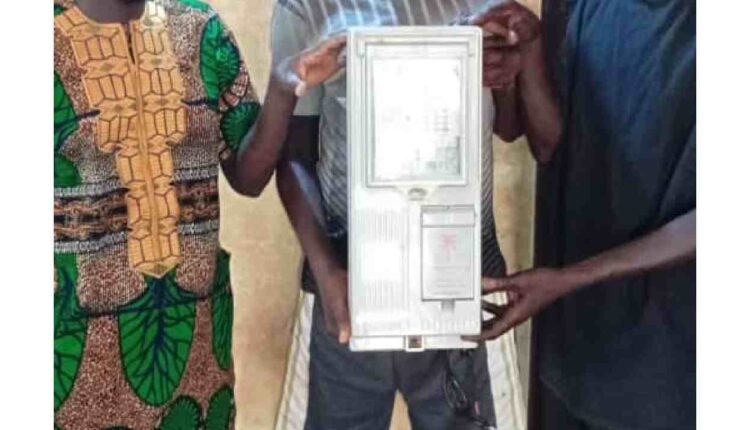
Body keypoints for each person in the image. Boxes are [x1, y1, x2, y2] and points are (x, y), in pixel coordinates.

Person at [53, 0, 345, 428]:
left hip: (194, 353)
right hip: (70, 355)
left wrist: (285, 86)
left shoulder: (202, 30)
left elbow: (248, 176)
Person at [271, 1, 560, 428]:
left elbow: (509, 124)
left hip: (466, 288)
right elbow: (293, 154)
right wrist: (326, 270)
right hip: (345, 292)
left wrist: (508, 68)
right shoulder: (305, 7)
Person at [468, 1, 696, 429]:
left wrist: (570, 278)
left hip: (672, 357)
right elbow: (548, 144)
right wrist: (527, 51)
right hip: (573, 338)